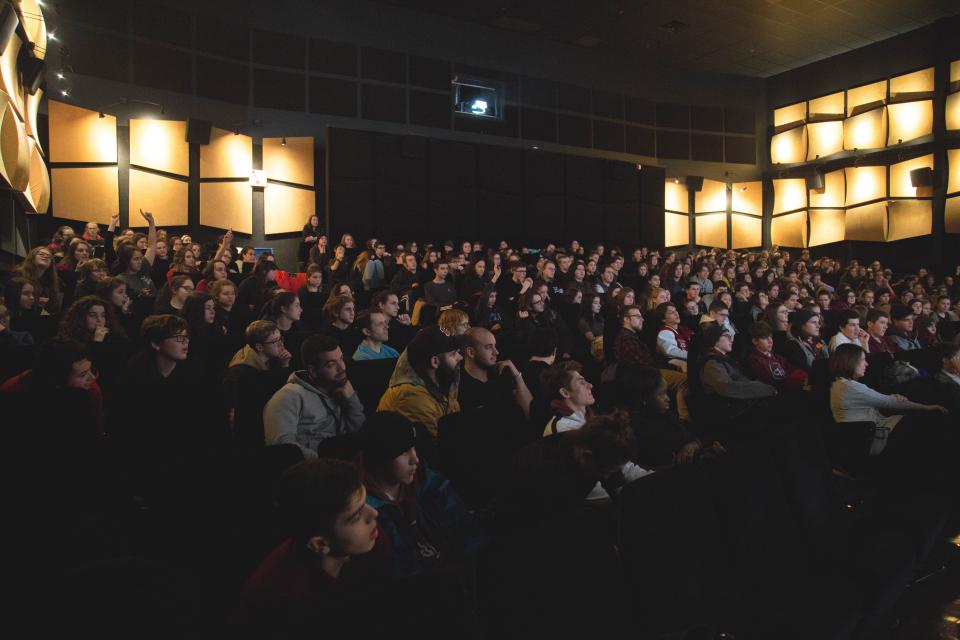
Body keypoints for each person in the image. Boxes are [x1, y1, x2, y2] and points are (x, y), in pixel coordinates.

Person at [243, 459, 380, 638]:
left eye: (365, 502)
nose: (374, 513)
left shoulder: (373, 539)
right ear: (320, 544)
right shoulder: (275, 598)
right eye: (355, 516)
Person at [359, 411, 485, 580]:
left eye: (413, 448)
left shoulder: (430, 483)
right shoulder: (366, 509)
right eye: (404, 452)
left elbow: (469, 536)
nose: (415, 459)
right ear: (381, 458)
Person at [829, 343, 946, 457]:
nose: (867, 364)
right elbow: (889, 403)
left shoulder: (841, 384)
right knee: (926, 421)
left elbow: (882, 399)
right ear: (850, 362)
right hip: (873, 438)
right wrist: (927, 407)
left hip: (869, 433)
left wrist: (892, 398)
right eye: (863, 360)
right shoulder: (851, 387)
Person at [263, 333, 365, 459]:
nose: (342, 368)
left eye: (341, 359)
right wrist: (324, 461)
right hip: (314, 467)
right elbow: (283, 448)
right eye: (331, 364)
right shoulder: (288, 397)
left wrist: (351, 400)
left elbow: (359, 434)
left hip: (346, 462)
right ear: (313, 371)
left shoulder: (341, 390)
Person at [377, 326, 465, 437]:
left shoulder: (443, 382)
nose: (460, 357)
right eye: (453, 354)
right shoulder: (411, 397)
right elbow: (438, 444)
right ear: (435, 362)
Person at [222, 320, 293, 450]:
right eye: (275, 341)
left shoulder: (270, 357)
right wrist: (284, 368)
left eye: (280, 339)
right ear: (259, 347)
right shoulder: (242, 372)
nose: (281, 344)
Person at [458, 327, 533, 419]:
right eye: (489, 347)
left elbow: (529, 412)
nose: (496, 352)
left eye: (495, 346)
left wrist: (517, 377)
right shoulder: (458, 385)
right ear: (471, 352)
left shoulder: (501, 373)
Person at [541, 360, 595, 436]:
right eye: (581, 382)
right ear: (565, 393)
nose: (590, 385)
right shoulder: (561, 429)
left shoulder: (592, 418)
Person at [781, 308, 826, 374]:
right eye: (813, 322)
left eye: (818, 323)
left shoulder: (818, 341)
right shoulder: (793, 346)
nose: (818, 326)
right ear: (801, 325)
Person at [655, 302, 692, 371]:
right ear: (663, 319)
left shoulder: (684, 329)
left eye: (675, 310)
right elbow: (670, 351)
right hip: (676, 365)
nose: (676, 313)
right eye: (671, 312)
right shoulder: (664, 332)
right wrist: (694, 355)